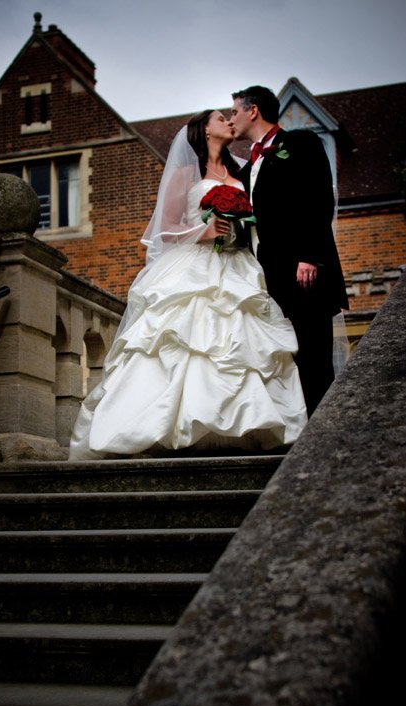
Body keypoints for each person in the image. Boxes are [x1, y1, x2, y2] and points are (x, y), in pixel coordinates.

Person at [68, 110, 307, 461]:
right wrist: (203, 231)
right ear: (204, 130)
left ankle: (244, 423)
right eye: (221, 117)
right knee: (177, 343)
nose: (229, 121)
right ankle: (159, 427)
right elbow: (163, 230)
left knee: (241, 344)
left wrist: (236, 229)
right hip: (195, 264)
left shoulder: (241, 172)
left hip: (237, 266)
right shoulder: (184, 174)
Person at [230, 85, 349, 416]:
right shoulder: (246, 167)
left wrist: (310, 256)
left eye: (235, 112)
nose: (231, 120)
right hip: (265, 279)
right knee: (283, 359)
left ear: (253, 110)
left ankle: (321, 431)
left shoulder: (301, 144)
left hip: (303, 271)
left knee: (313, 356)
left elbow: (318, 199)